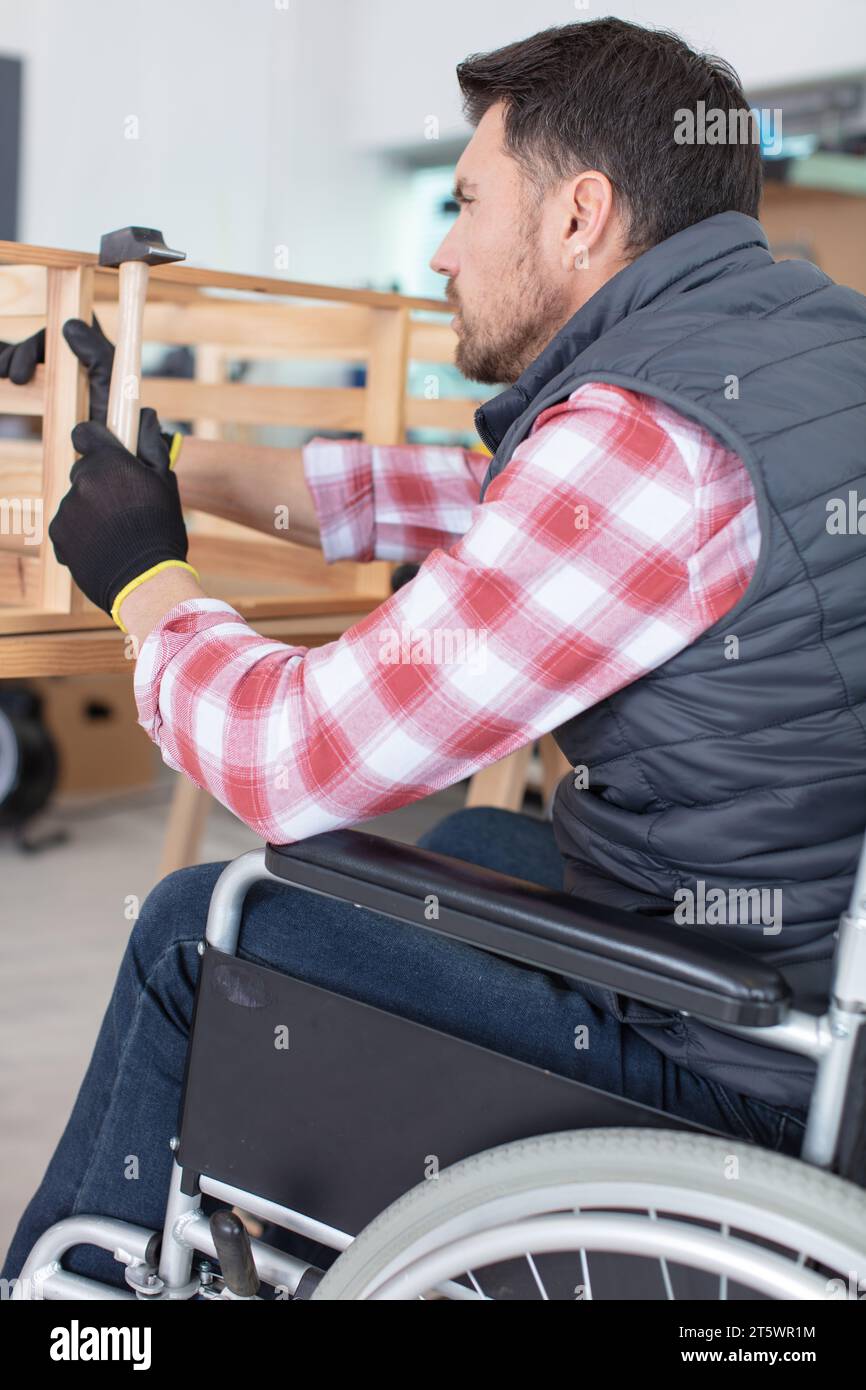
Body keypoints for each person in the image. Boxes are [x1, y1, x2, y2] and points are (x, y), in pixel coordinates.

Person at [4, 17, 865, 1289]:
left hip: (738, 1072)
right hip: (783, 961)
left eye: (465, 203)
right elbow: (487, 497)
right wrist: (173, 464)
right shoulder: (793, 346)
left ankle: (71, 1313)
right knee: (451, 853)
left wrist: (142, 580)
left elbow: (279, 760)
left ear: (579, 216)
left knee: (207, 919)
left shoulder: (641, 441)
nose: (440, 248)